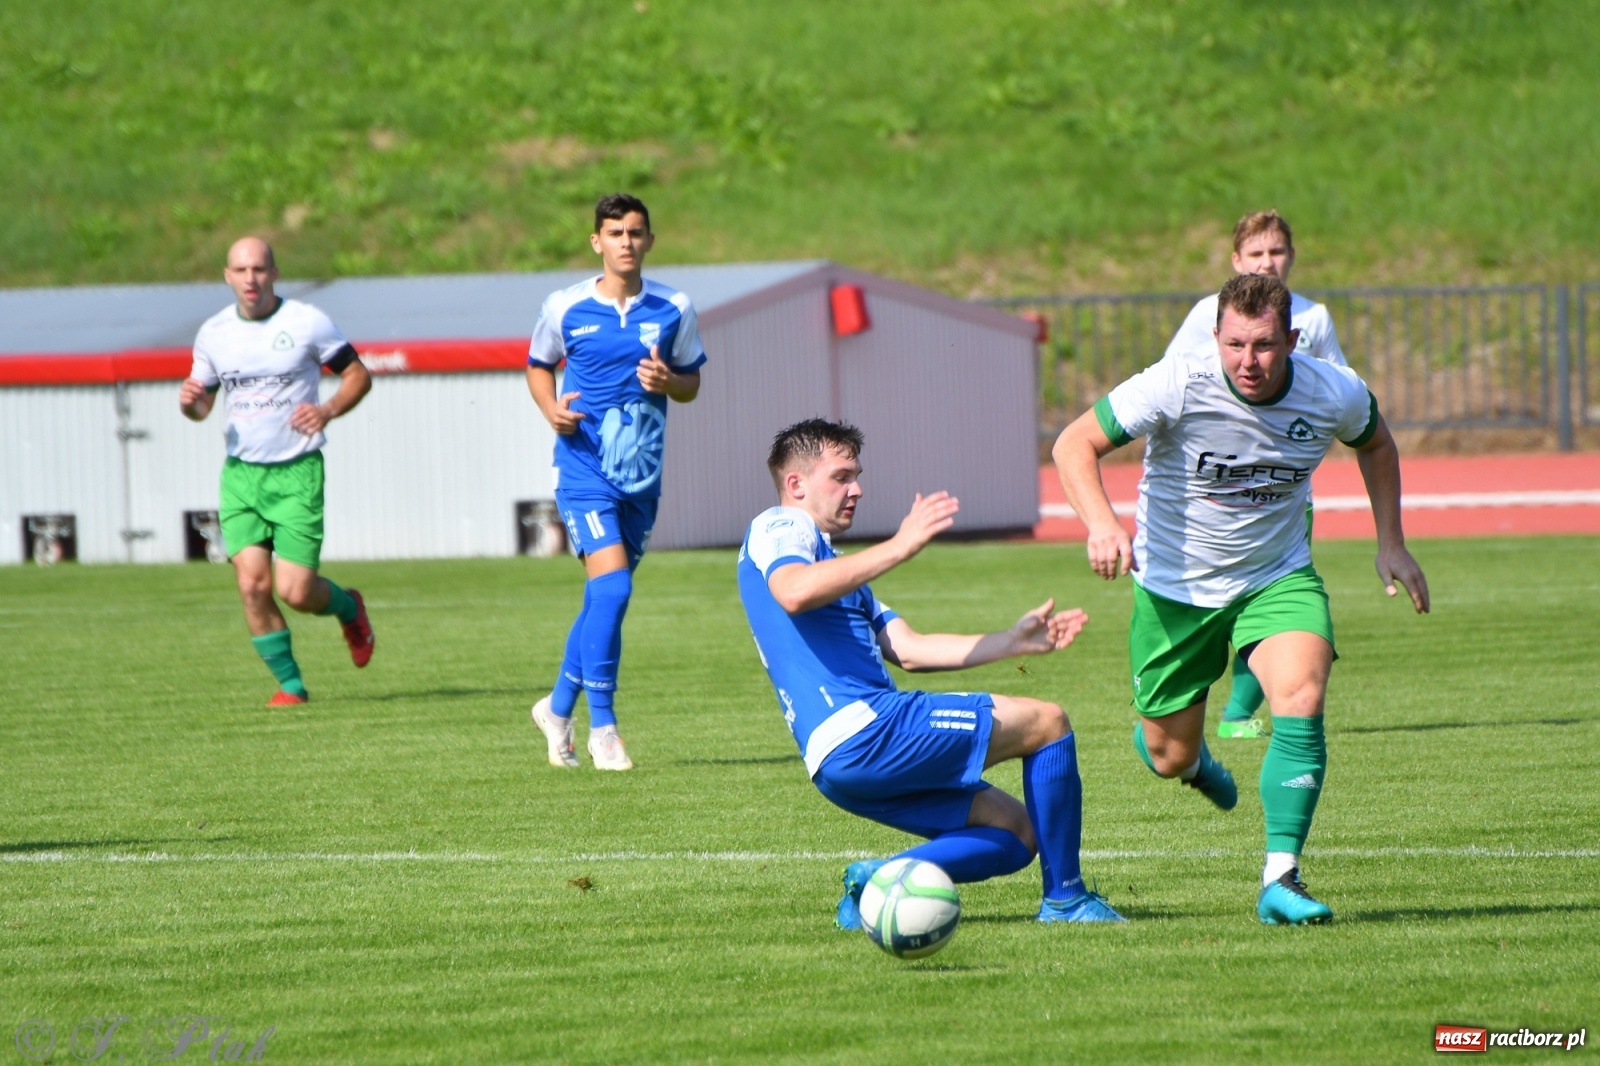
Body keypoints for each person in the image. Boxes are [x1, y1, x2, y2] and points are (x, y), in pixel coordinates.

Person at [1053, 272, 1429, 926]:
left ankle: (1280, 878)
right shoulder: (1177, 381)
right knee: (1167, 755)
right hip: (1176, 590)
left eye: (1262, 346)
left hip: (1276, 577)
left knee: (1302, 697)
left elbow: (1376, 442)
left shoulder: (1331, 390)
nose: (1247, 362)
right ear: (1215, 338)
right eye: (1233, 345)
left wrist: (1391, 541)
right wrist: (1102, 524)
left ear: (1291, 339)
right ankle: (1191, 761)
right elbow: (1073, 442)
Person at [738, 419, 1124, 926]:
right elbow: (793, 589)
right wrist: (902, 544)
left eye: (857, 475)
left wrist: (1011, 641)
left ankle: (880, 880)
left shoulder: (837, 570)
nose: (857, 488)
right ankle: (1067, 900)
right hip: (867, 728)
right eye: (841, 476)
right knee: (1047, 723)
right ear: (796, 485)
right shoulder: (781, 526)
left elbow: (912, 649)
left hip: (838, 762)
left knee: (1017, 834)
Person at [526, 193, 706, 771]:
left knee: (602, 598)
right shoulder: (565, 306)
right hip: (582, 469)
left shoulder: (675, 307)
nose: (626, 242)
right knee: (615, 590)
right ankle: (604, 727)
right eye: (615, 232)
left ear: (649, 241)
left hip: (641, 473)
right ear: (596, 242)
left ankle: (556, 711)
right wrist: (551, 409)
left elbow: (691, 385)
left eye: (635, 232)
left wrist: (668, 379)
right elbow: (537, 365)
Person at [1164, 210, 1348, 740]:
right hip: (1214, 494)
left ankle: (1238, 714)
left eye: (1277, 253)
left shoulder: (1313, 319)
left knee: (1271, 596)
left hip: (1285, 491)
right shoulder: (1207, 315)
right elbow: (1170, 384)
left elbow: (1339, 388)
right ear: (1236, 261)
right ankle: (1186, 716)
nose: (1269, 262)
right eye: (1257, 254)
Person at [179, 237, 375, 707]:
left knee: (296, 590)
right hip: (241, 475)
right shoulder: (213, 334)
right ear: (227, 276)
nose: (251, 279)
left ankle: (348, 607)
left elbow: (358, 374)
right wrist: (192, 404)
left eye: (260, 269)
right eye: (241, 270)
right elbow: (203, 404)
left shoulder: (306, 322)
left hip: (296, 471)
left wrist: (326, 410)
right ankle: (290, 686)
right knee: (251, 585)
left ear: (275, 273)